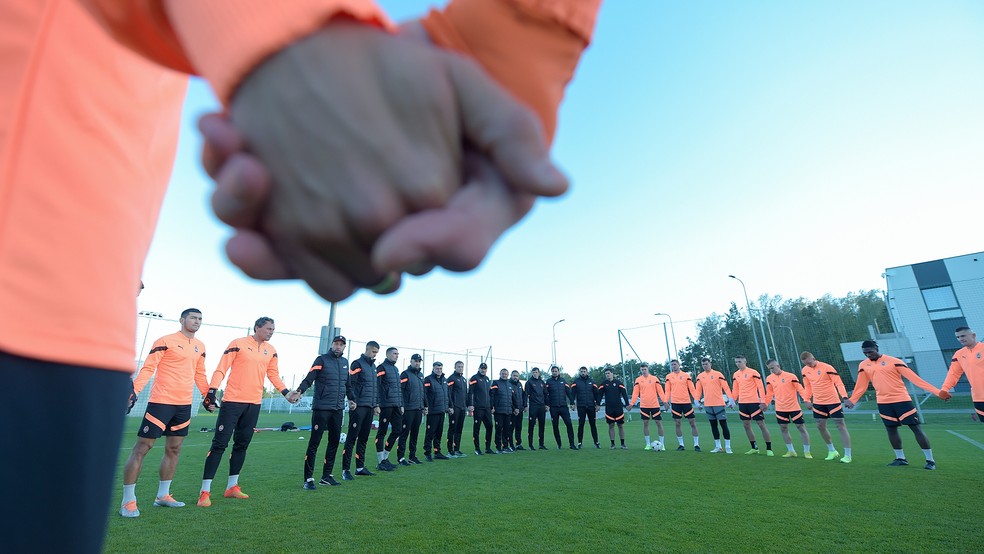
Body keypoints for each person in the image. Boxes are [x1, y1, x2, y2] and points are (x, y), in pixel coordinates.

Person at [0, 1, 601, 549]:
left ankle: (206, 486)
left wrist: (527, 28)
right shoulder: (276, 351)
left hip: (83, 304)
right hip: (40, 296)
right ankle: (159, 492)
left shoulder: (232, 346)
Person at [119, 308, 208, 517]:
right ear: (182, 320)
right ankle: (128, 501)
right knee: (143, 447)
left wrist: (207, 395)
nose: (197, 321)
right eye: (193, 318)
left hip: (184, 405)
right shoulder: (165, 340)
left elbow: (200, 374)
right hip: (161, 402)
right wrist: (133, 392)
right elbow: (149, 368)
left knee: (174, 449)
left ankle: (163, 496)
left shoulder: (200, 346)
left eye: (200, 319)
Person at [198, 317, 294, 507]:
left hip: (254, 404)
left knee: (241, 445)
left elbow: (273, 374)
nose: (271, 332)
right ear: (257, 328)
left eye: (273, 329)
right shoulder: (238, 344)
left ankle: (232, 487)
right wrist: (212, 390)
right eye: (268, 328)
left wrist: (285, 392)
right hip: (232, 402)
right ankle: (204, 492)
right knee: (219, 445)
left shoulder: (271, 350)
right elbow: (221, 368)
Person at [845, 340, 950, 469]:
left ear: (876, 348)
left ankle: (930, 461)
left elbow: (915, 379)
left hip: (902, 401)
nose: (868, 355)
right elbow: (861, 385)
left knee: (915, 428)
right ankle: (900, 458)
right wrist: (853, 400)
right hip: (884, 403)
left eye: (870, 352)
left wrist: (938, 392)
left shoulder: (894, 361)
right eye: (865, 353)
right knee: (891, 429)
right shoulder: (863, 365)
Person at [291, 335, 349, 489]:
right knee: (314, 443)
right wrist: (300, 391)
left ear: (344, 347)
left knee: (334, 441)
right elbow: (309, 378)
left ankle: (326, 476)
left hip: (338, 409)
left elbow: (347, 384)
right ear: (332, 345)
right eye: (336, 344)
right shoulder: (321, 359)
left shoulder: (345, 363)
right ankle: (308, 479)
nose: (338, 346)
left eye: (341, 345)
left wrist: (352, 399)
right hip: (322, 408)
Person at [800, 351, 853, 463]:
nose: (808, 365)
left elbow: (838, 383)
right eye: (806, 364)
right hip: (818, 403)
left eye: (809, 363)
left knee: (840, 425)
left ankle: (847, 455)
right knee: (820, 426)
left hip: (833, 401)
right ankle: (832, 450)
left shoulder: (827, 367)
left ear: (814, 358)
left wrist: (844, 397)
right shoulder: (805, 371)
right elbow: (807, 386)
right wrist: (806, 399)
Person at [341, 341, 381, 480]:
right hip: (358, 406)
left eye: (376, 352)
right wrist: (352, 400)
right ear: (367, 349)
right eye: (373, 351)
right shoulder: (357, 364)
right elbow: (351, 383)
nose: (374, 354)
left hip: (370, 407)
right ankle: (345, 469)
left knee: (363, 438)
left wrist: (375, 404)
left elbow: (375, 388)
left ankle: (360, 467)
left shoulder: (374, 367)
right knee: (352, 438)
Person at [763, 360, 811, 458]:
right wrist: (766, 404)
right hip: (780, 408)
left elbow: (800, 389)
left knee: (801, 428)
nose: (772, 370)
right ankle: (791, 451)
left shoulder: (791, 376)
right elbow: (769, 393)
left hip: (794, 407)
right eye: (769, 369)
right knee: (783, 428)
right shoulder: (769, 378)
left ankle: (807, 452)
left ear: (778, 365)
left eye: (773, 367)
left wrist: (806, 400)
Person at [731, 355, 773, 456]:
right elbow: (735, 389)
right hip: (742, 403)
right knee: (746, 425)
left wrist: (763, 401)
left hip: (754, 402)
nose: (738, 364)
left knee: (761, 424)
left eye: (739, 361)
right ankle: (754, 447)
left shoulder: (753, 372)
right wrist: (733, 400)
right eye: (736, 362)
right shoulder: (736, 374)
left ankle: (769, 449)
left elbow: (760, 387)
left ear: (745, 361)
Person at [940, 326, 984, 421]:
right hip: (978, 397)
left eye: (963, 336)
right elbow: (953, 374)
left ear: (973, 335)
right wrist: (945, 389)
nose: (960, 339)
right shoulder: (959, 354)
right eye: (958, 337)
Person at [694, 358, 734, 454]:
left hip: (719, 403)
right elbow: (698, 390)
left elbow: (726, 387)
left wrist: (731, 399)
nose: (705, 366)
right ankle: (718, 446)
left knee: (723, 425)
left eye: (706, 364)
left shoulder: (718, 374)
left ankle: (728, 447)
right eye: (703, 364)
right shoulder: (700, 376)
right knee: (713, 426)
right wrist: (696, 400)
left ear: (710, 364)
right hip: (708, 404)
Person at [374, 347, 404, 471]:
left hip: (396, 405)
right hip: (386, 405)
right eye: (394, 354)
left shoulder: (396, 369)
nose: (397, 356)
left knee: (397, 430)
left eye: (398, 354)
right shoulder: (381, 368)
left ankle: (385, 457)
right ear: (387, 355)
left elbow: (398, 389)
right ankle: (380, 461)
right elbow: (377, 386)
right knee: (382, 432)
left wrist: (401, 404)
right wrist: (377, 404)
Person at [628, 363, 667, 451]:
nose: (643, 371)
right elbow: (635, 393)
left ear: (648, 369)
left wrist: (665, 401)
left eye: (645, 369)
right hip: (644, 405)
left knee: (658, 423)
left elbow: (660, 391)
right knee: (645, 423)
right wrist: (632, 403)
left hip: (655, 405)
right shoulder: (638, 380)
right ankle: (648, 444)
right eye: (642, 370)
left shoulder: (654, 379)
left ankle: (662, 444)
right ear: (640, 370)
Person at [664, 360, 701, 451]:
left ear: (679, 365)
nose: (674, 366)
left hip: (686, 402)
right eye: (672, 365)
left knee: (692, 422)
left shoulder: (686, 375)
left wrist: (696, 400)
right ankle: (681, 445)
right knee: (677, 423)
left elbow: (692, 389)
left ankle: (696, 445)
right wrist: (666, 401)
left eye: (675, 364)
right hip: (675, 403)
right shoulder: (669, 377)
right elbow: (667, 390)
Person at [397, 354, 426, 466]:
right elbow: (400, 391)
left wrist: (424, 406)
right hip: (408, 409)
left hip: (418, 409)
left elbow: (423, 392)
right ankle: (400, 457)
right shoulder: (405, 374)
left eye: (419, 361)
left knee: (415, 433)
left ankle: (412, 456)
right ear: (411, 361)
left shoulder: (421, 375)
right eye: (415, 361)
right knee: (404, 434)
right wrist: (402, 405)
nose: (417, 363)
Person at [423, 361, 452, 461]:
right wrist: (426, 406)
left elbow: (447, 394)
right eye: (437, 369)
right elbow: (424, 394)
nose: (439, 370)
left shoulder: (444, 380)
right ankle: (427, 453)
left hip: (442, 410)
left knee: (439, 433)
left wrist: (449, 406)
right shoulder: (428, 379)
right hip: (432, 411)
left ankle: (437, 452)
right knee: (430, 433)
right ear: (433, 369)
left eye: (440, 369)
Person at [545, 365, 577, 449]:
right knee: (555, 426)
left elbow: (569, 393)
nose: (554, 372)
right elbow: (546, 395)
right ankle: (559, 444)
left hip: (563, 407)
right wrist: (547, 404)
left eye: (556, 371)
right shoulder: (548, 382)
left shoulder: (563, 381)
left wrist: (572, 402)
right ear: (551, 372)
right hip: (553, 407)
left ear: (558, 372)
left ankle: (572, 444)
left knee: (569, 424)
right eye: (553, 371)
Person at [598, 369, 629, 449]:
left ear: (612, 374)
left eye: (608, 373)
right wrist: (597, 404)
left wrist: (627, 404)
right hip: (609, 408)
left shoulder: (618, 383)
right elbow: (599, 395)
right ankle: (612, 444)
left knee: (620, 425)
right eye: (606, 374)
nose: (607, 375)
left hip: (618, 407)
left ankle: (622, 444)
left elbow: (624, 394)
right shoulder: (603, 384)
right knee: (611, 425)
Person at [468, 362, 494, 455]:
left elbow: (490, 394)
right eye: (482, 368)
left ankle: (488, 447)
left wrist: (491, 406)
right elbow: (470, 392)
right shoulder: (474, 378)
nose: (483, 370)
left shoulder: (487, 379)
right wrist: (470, 405)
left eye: (485, 368)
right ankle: (477, 448)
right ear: (479, 368)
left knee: (490, 426)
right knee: (477, 428)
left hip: (487, 408)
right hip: (478, 407)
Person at [491, 369, 520, 453]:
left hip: (508, 411)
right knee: (499, 429)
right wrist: (492, 407)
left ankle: (505, 446)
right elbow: (492, 395)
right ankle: (498, 447)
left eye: (506, 374)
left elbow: (513, 398)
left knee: (507, 430)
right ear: (500, 374)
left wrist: (516, 408)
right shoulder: (495, 383)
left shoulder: (510, 385)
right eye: (503, 374)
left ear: (508, 375)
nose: (504, 375)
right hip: (499, 411)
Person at [571, 366, 601, 449]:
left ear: (587, 372)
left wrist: (598, 404)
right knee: (581, 424)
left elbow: (596, 394)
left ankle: (596, 442)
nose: (583, 373)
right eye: (581, 371)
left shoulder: (592, 381)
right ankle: (580, 442)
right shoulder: (576, 382)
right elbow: (572, 394)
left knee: (593, 424)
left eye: (584, 371)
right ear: (580, 372)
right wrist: (572, 403)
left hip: (591, 406)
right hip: (581, 406)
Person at [446, 361, 469, 457]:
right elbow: (448, 393)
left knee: (459, 429)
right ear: (454, 367)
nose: (460, 368)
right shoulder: (451, 378)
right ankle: (450, 451)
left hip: (462, 408)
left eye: (462, 367)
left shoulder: (463, 379)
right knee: (452, 429)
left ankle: (457, 449)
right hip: (454, 408)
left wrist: (467, 405)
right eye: (458, 366)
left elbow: (465, 394)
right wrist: (450, 406)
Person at [525, 367, 548, 450]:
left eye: (536, 372)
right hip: (533, 406)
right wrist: (525, 405)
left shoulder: (542, 382)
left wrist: (547, 404)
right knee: (531, 425)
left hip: (541, 407)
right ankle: (530, 444)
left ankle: (541, 444)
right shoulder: (529, 382)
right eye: (533, 372)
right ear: (532, 373)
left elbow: (545, 394)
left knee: (542, 426)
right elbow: (526, 394)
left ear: (539, 373)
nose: (535, 373)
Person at [510, 370, 528, 450]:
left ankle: (518, 444)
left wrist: (525, 405)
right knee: (511, 428)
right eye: (514, 375)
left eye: (517, 376)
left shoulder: (520, 384)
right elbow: (509, 398)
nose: (515, 377)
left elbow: (523, 395)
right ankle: (510, 444)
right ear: (511, 376)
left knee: (518, 427)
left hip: (520, 410)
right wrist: (514, 408)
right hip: (512, 411)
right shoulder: (509, 384)